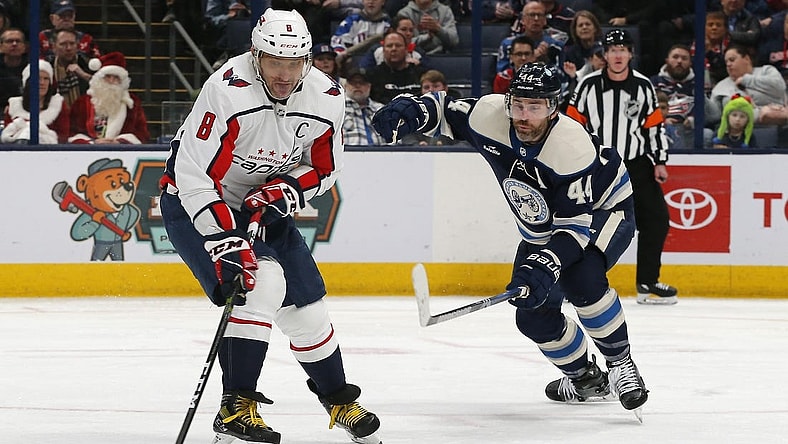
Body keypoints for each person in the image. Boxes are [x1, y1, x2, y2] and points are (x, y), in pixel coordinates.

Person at [371, 62, 649, 417]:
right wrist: (412, 108)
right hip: (547, 225)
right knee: (531, 314)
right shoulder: (490, 117)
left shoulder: (572, 148)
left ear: (553, 107)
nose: (524, 115)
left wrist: (547, 263)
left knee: (581, 279)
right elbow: (445, 109)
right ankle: (585, 378)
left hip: (603, 211)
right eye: (518, 104)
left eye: (535, 107)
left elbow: (574, 229)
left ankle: (621, 364)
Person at [158, 9, 382, 444]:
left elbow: (324, 168)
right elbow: (194, 175)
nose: (285, 74)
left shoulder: (326, 96)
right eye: (274, 62)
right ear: (255, 55)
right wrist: (224, 238)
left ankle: (338, 399)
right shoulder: (226, 89)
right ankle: (235, 407)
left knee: (309, 311)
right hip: (197, 203)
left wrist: (286, 189)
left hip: (264, 206)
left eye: (294, 62)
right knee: (261, 283)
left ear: (308, 60)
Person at [566, 29, 678, 305]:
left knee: (657, 221)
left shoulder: (643, 86)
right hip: (599, 166)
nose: (617, 55)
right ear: (604, 54)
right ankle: (575, 283)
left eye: (623, 49)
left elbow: (653, 127)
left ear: (630, 54)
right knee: (585, 224)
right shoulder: (587, 85)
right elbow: (572, 126)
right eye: (612, 49)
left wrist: (660, 161)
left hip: (636, 165)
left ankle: (647, 282)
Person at [68, 52, 150, 144]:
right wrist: (92, 143)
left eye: (116, 77)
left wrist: (119, 142)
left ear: (122, 81)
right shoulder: (82, 103)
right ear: (99, 79)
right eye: (107, 76)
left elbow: (142, 134)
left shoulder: (132, 103)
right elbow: (71, 133)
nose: (111, 81)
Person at [708, 44, 788, 127]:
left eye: (732, 60)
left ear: (746, 59)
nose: (728, 64)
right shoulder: (721, 87)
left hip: (779, 126)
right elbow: (714, 116)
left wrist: (746, 80)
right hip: (739, 129)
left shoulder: (766, 71)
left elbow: (780, 87)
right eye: (726, 62)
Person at [2, 60, 69, 144]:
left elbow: (63, 136)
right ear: (28, 82)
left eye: (46, 79)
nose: (42, 83)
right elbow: (7, 136)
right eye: (37, 78)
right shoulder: (14, 105)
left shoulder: (58, 104)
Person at [496, 1, 565, 73]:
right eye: (532, 15)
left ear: (545, 20)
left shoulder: (556, 45)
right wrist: (528, 61)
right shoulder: (508, 44)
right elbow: (502, 75)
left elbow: (562, 78)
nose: (536, 19)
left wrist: (546, 61)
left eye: (539, 15)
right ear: (522, 20)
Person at [366, 30, 425, 103]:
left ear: (406, 49)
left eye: (398, 45)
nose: (394, 49)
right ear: (383, 51)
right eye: (389, 46)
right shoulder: (372, 75)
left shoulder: (420, 74)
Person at [330, 0, 390, 67]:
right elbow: (337, 41)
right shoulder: (352, 21)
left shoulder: (388, 24)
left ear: (383, 2)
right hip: (354, 63)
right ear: (363, 1)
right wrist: (340, 55)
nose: (371, 2)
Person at [44, 28, 94, 107]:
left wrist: (84, 75)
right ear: (53, 47)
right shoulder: (47, 69)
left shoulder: (89, 65)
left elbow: (104, 88)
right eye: (63, 44)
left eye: (72, 43)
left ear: (77, 46)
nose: (68, 48)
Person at [343, 68, 386, 145]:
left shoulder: (382, 110)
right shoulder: (338, 108)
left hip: (384, 154)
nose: (358, 86)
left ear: (369, 87)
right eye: (353, 83)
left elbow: (395, 138)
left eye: (362, 83)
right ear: (345, 86)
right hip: (347, 155)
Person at [0, 28, 28, 113]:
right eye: (9, 41)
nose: (14, 44)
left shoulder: (33, 66)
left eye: (18, 41)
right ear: (0, 46)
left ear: (24, 47)